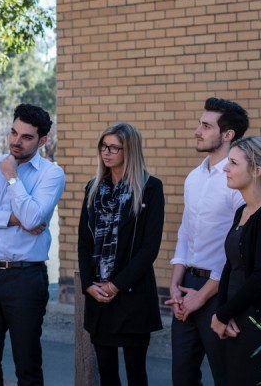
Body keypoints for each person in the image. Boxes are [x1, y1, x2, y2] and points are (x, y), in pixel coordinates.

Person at [0, 103, 66, 386]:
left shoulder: (51, 174)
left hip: (25, 278)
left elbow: (33, 217)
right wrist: (11, 218)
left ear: (43, 140)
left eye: (26, 137)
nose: (15, 141)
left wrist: (11, 176)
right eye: (13, 132)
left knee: (28, 367)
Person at [166, 97, 249, 386]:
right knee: (182, 378)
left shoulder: (238, 180)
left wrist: (201, 297)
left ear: (227, 135)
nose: (196, 131)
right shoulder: (193, 177)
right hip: (187, 285)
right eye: (199, 124)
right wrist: (175, 285)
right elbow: (185, 234)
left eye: (205, 126)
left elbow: (239, 251)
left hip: (219, 292)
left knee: (224, 376)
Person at [77, 123, 165, 386]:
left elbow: (150, 248)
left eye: (114, 147)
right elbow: (83, 242)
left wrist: (116, 285)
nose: (107, 152)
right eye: (104, 146)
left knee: (136, 374)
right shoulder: (93, 188)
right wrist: (88, 285)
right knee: (106, 374)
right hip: (98, 297)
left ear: (130, 150)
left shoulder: (150, 188)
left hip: (132, 295)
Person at [210, 137, 261, 386]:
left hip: (259, 327)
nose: (225, 168)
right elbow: (230, 265)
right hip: (235, 321)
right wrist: (222, 313)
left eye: (233, 163)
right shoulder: (242, 211)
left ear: (256, 171)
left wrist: (223, 314)